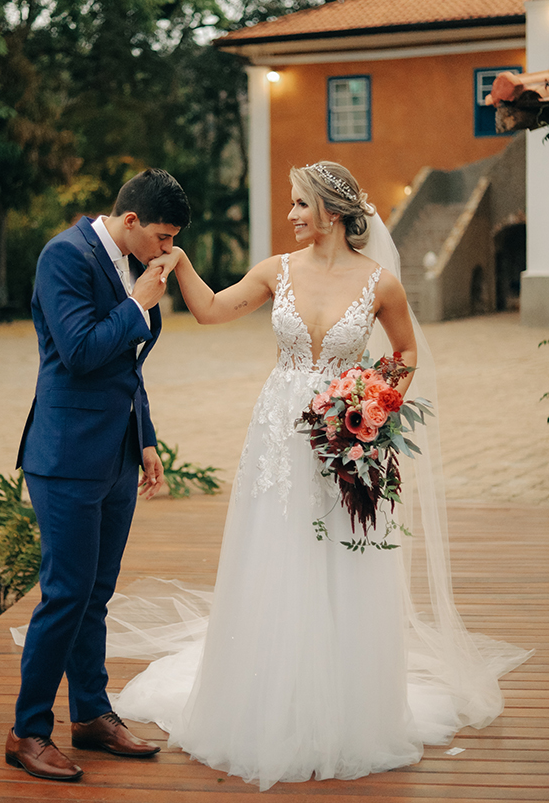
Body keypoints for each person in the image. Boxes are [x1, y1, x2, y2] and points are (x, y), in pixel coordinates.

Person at [111, 161, 532, 791]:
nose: (291, 216)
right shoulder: (274, 271)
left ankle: (338, 705)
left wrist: (375, 402)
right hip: (277, 436)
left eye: (300, 205)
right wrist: (181, 264)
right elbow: (213, 311)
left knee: (337, 556)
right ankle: (265, 700)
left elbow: (406, 351)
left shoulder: (380, 284)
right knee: (274, 551)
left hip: (341, 436)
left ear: (331, 213)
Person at [5, 167, 190, 782]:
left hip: (114, 452)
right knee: (65, 593)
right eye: (162, 237)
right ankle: (28, 730)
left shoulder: (128, 260)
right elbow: (82, 351)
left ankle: (89, 715)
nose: (167, 251)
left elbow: (126, 366)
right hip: (65, 456)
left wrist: (146, 439)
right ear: (131, 221)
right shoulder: (64, 254)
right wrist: (139, 303)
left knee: (96, 593)